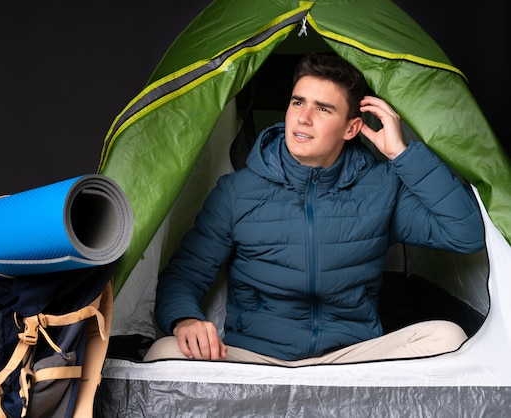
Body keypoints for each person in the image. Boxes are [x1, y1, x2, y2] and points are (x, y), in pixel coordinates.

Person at [143, 53, 485, 366]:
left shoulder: (381, 187)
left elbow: (466, 232)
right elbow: (184, 275)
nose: (303, 118)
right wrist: (185, 319)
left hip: (352, 359)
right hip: (255, 359)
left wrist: (402, 154)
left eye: (323, 109)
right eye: (297, 102)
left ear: (351, 128)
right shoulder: (237, 191)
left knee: (447, 337)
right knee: (164, 352)